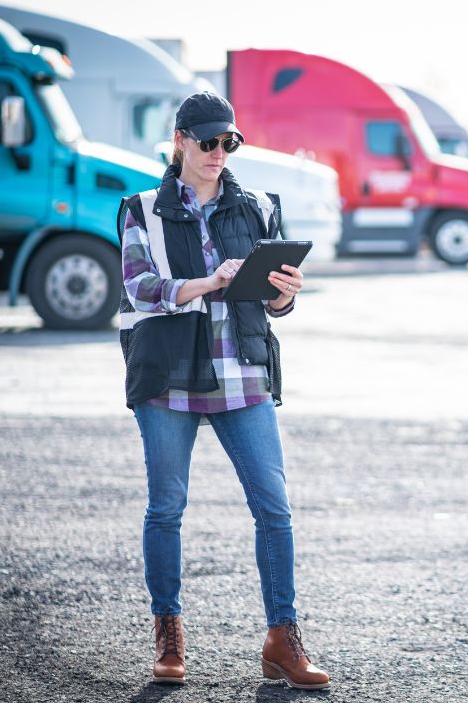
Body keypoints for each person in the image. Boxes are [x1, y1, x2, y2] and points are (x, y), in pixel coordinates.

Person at [116, 91, 330, 690]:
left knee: (275, 510)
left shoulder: (260, 205)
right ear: (180, 139)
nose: (218, 153)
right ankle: (169, 634)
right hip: (168, 376)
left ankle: (281, 639)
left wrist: (285, 292)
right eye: (207, 142)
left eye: (228, 142)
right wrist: (209, 282)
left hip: (243, 373)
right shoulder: (141, 208)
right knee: (166, 509)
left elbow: (274, 305)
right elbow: (138, 288)